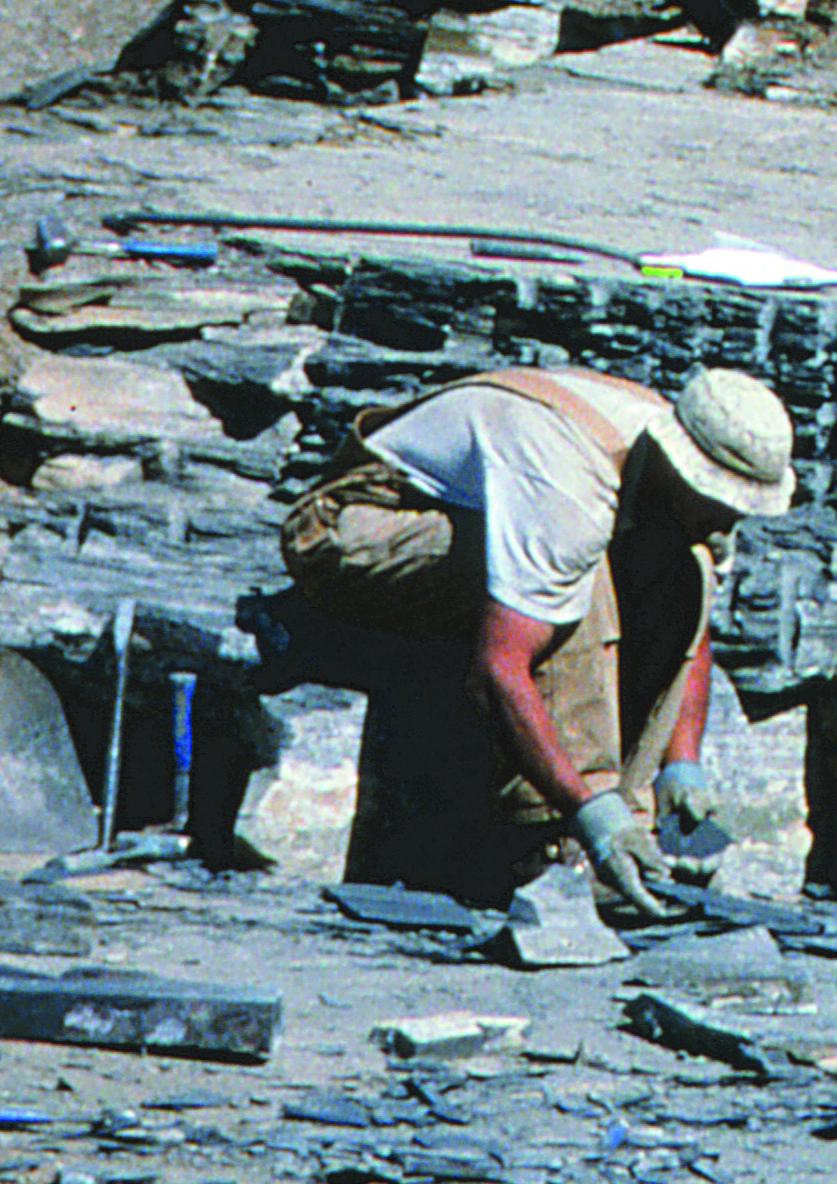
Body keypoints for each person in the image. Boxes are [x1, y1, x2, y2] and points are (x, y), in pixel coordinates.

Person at [280, 358, 797, 920]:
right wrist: (585, 810)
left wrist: (683, 766)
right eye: (717, 503)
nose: (726, 524)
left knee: (684, 566)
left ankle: (643, 826)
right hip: (353, 526)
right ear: (681, 469)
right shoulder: (568, 492)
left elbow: (696, 630)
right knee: (583, 585)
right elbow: (497, 667)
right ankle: (554, 843)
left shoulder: (699, 496)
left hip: (494, 517)